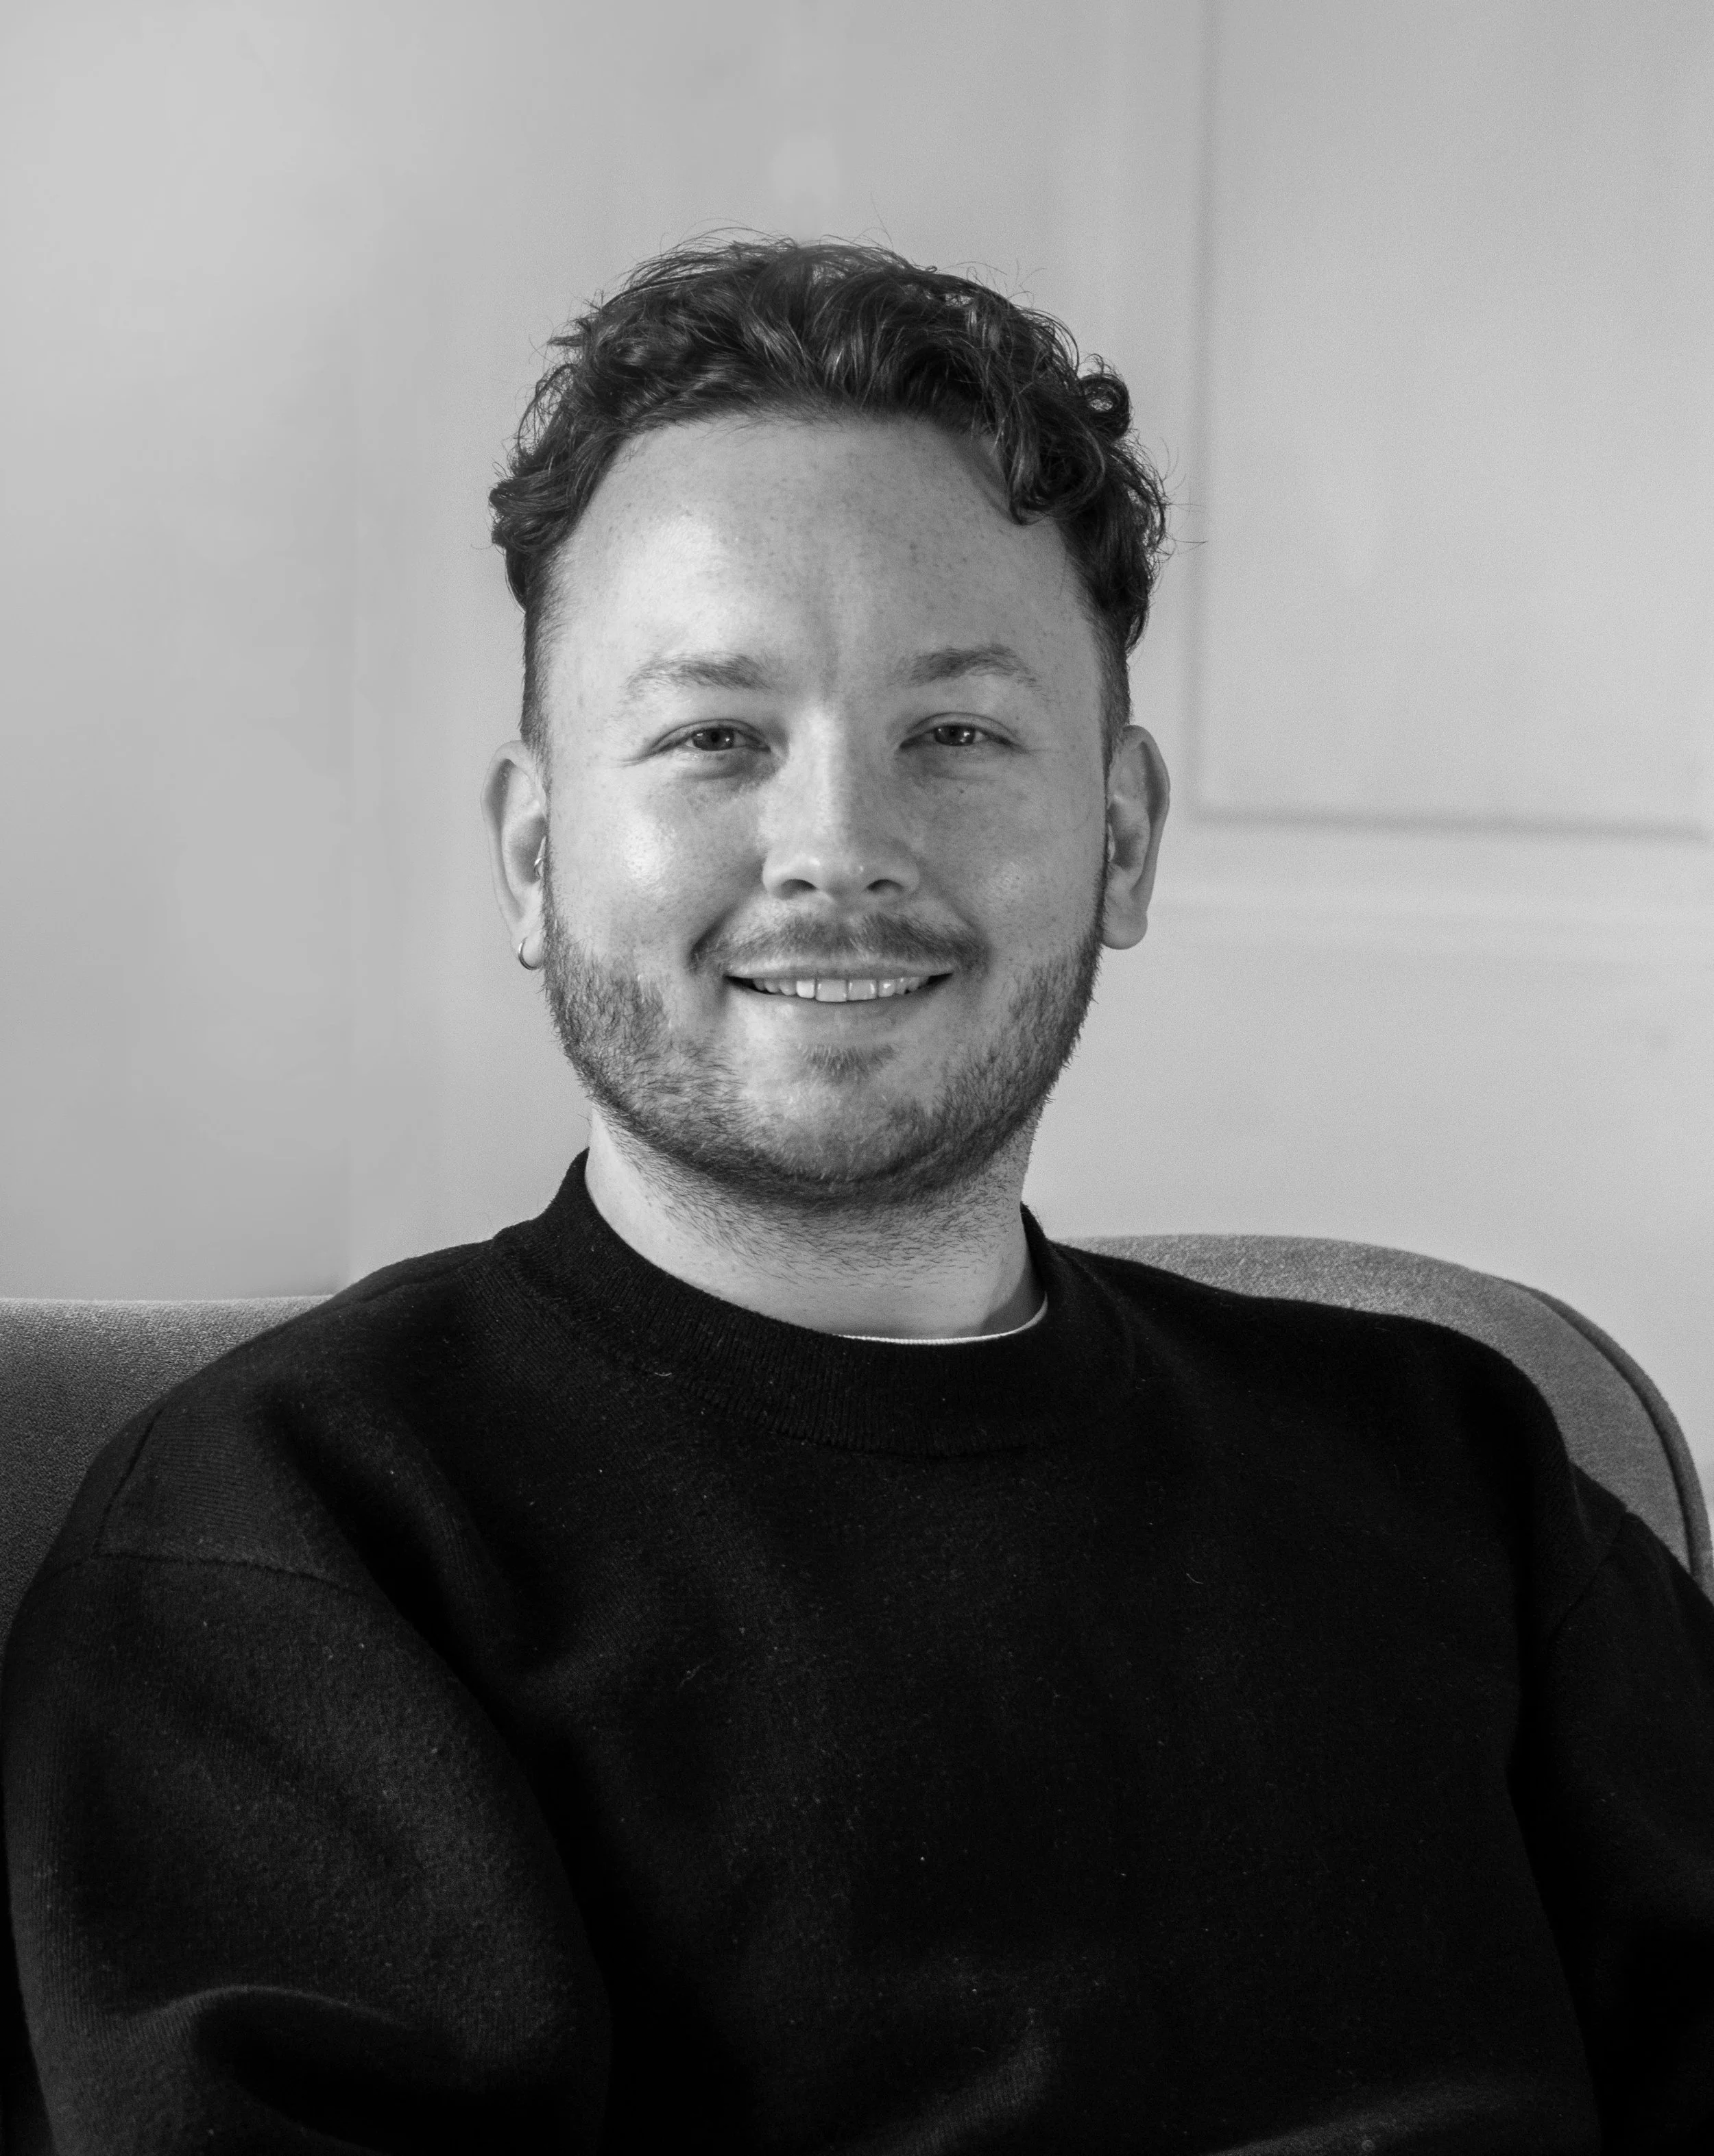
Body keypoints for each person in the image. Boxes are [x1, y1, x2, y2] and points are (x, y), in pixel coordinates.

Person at [3, 237, 1713, 2154]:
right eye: (714, 739)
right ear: (534, 853)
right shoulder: (300, 1529)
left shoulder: (1459, 1467)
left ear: (1122, 835)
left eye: (959, 735)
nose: (835, 845)